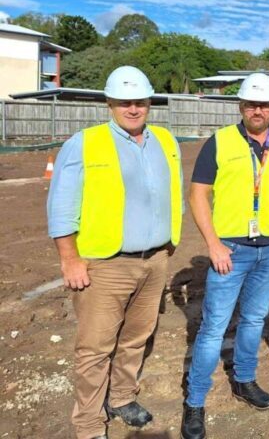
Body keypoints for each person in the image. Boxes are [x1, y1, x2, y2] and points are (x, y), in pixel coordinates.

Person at [47, 66, 183, 439]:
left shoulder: (165, 141)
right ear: (109, 103)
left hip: (154, 260)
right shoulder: (85, 142)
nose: (133, 108)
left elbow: (173, 192)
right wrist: (70, 259)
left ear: (149, 103)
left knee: (137, 337)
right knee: (94, 349)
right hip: (106, 264)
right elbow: (61, 205)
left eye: (140, 101)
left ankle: (121, 398)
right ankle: (90, 426)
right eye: (125, 102)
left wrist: (169, 242)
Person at [181, 73, 269, 439]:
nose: (258, 111)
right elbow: (198, 195)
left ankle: (244, 380)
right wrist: (213, 244)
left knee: (254, 320)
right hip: (230, 250)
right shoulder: (220, 142)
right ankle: (196, 401)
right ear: (241, 107)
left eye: (264, 105)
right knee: (213, 327)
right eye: (251, 104)